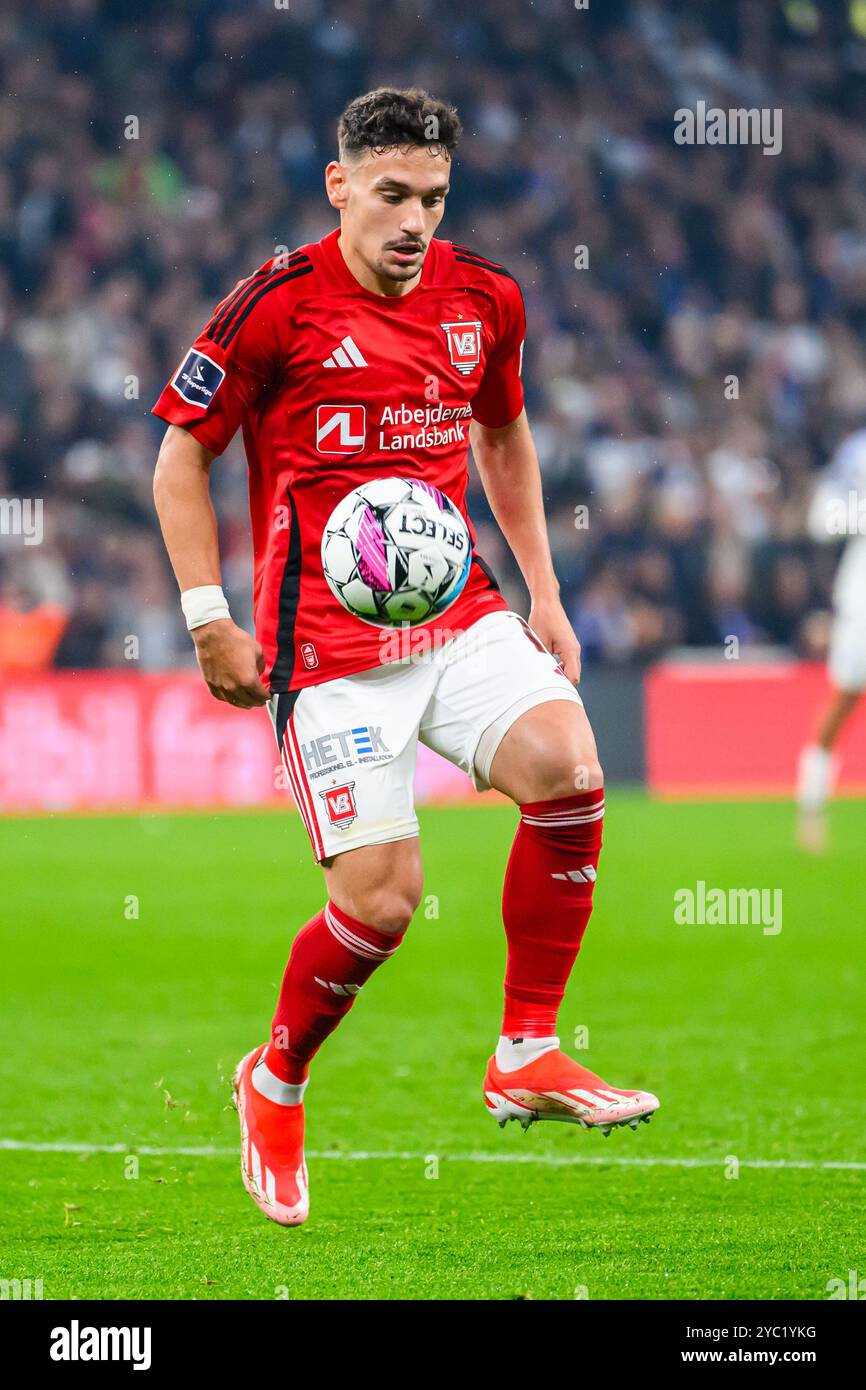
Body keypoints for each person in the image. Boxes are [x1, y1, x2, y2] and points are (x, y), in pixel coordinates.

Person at [151, 87, 659, 1228]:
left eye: (431, 197)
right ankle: (274, 1079)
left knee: (568, 767)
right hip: (322, 646)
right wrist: (204, 615)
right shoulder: (273, 308)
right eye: (391, 195)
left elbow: (501, 428)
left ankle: (525, 1046)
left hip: (454, 611)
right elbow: (181, 461)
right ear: (339, 187)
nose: (414, 220)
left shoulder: (486, 298)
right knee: (382, 904)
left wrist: (544, 593)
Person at [797, 426, 866, 850]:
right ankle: (812, 806)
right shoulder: (857, 451)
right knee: (845, 696)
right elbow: (822, 520)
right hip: (861, 599)